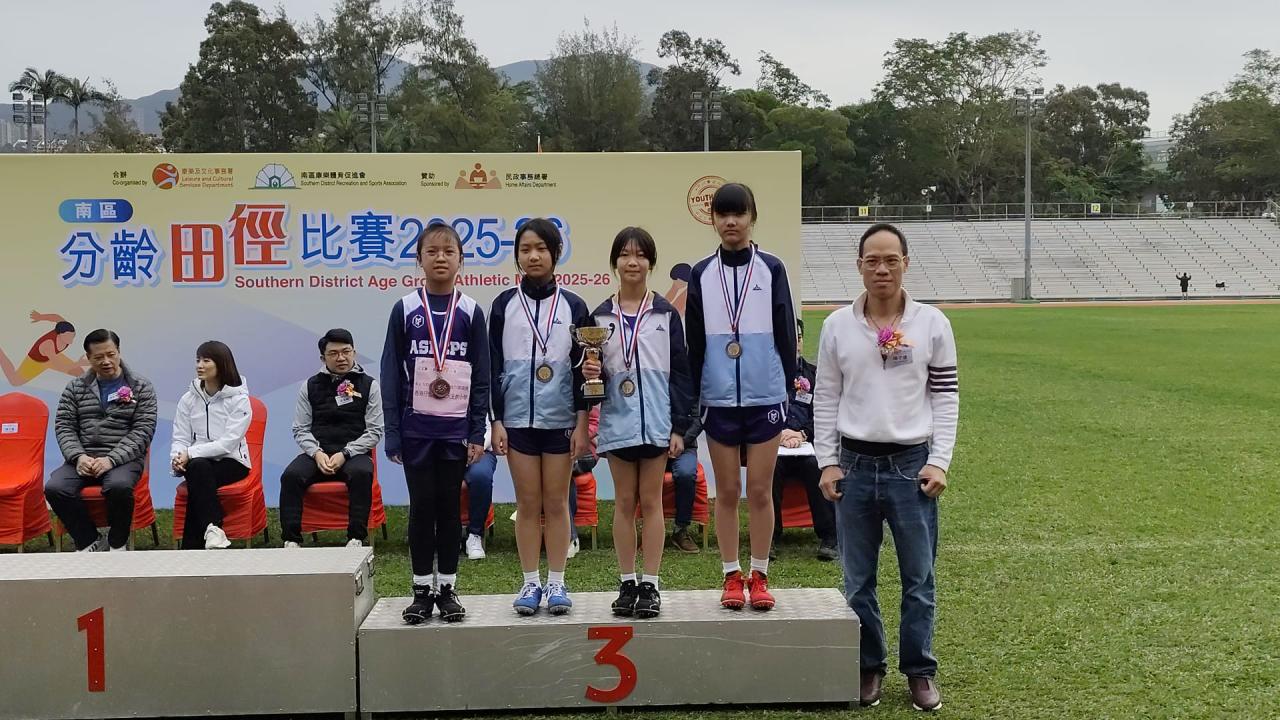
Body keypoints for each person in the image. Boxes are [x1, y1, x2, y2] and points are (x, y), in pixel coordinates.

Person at [814, 223, 959, 712]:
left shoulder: (932, 323)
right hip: (853, 467)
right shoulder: (837, 325)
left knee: (919, 579)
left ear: (905, 264)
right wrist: (827, 462)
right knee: (858, 581)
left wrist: (939, 461)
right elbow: (825, 397)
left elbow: (946, 395)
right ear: (859, 266)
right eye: (872, 260)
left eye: (891, 260)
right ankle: (868, 665)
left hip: (912, 468)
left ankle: (919, 670)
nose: (882, 269)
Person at [685, 182, 797, 611]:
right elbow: (696, 342)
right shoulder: (701, 273)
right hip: (718, 398)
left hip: (765, 395)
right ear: (713, 220)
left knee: (762, 491)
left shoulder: (771, 268)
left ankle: (761, 575)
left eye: (739, 214)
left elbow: (785, 332)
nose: (731, 222)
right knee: (729, 491)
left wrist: (787, 389)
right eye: (723, 214)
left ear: (752, 218)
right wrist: (697, 397)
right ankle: (732, 575)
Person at [382, 222, 489, 624]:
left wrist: (476, 431)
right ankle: (420, 590)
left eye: (449, 251)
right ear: (419, 259)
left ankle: (447, 588)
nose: (440, 258)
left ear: (461, 260)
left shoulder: (471, 311)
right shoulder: (405, 309)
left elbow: (482, 376)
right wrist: (394, 432)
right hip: (416, 431)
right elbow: (391, 373)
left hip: (455, 432)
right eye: (432, 251)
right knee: (421, 509)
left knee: (448, 509)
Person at [583, 227, 693, 618]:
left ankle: (651, 584)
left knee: (652, 502)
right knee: (624, 503)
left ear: (651, 262)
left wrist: (679, 427)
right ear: (615, 262)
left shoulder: (665, 313)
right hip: (617, 422)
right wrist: (591, 371)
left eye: (641, 255)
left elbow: (681, 374)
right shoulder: (599, 316)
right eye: (625, 255)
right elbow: (592, 378)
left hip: (657, 422)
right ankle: (627, 581)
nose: (633, 262)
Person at [489, 218, 591, 616]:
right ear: (517, 256)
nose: (533, 256)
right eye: (525, 249)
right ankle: (530, 582)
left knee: (557, 502)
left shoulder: (575, 306)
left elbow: (586, 370)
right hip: (517, 421)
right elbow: (493, 366)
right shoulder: (503, 305)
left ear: (556, 253)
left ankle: (558, 582)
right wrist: (496, 420)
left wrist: (581, 422)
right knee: (529, 503)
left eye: (541, 249)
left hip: (561, 420)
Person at [46, 329, 157, 552]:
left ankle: (117, 542)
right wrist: (78, 456)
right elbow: (65, 426)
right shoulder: (75, 388)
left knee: (118, 486)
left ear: (119, 352)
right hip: (83, 457)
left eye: (111, 354)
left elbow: (143, 431)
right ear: (88, 358)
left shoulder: (141, 386)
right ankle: (89, 540)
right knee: (55, 488)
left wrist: (111, 460)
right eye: (98, 357)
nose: (106, 361)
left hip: (123, 459)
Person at [279, 329, 384, 549]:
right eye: (333, 353)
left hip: (354, 453)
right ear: (323, 358)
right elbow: (300, 429)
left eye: (346, 351)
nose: (341, 358)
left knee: (362, 473)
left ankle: (356, 538)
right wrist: (316, 453)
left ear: (354, 353)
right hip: (318, 452)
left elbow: (375, 431)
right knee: (291, 476)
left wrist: (346, 453)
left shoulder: (369, 385)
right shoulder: (309, 386)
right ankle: (291, 540)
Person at [171, 341, 252, 551]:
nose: (199, 365)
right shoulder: (188, 399)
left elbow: (227, 444)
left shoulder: (239, 400)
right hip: (197, 462)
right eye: (198, 360)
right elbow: (180, 436)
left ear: (221, 364)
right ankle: (213, 530)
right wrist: (177, 457)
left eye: (206, 360)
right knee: (198, 469)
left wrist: (190, 453)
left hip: (232, 462)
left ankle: (191, 548)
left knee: (197, 472)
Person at [771, 318, 837, 561]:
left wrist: (802, 434)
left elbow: (824, 412)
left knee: (815, 467)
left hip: (807, 445)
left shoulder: (815, 375)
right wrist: (778, 435)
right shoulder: (766, 375)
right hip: (773, 445)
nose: (794, 343)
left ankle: (829, 536)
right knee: (770, 469)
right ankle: (769, 537)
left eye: (797, 338)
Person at [1, 310, 89, 386]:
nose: (71, 340)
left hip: (54, 357)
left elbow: (56, 317)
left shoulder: (64, 326)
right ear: (59, 334)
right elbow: (60, 366)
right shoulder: (48, 345)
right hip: (36, 362)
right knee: (15, 381)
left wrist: (40, 317)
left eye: (73, 336)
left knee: (79, 372)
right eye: (68, 337)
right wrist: (78, 363)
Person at [667, 396, 702, 553]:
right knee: (642, 474)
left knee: (686, 474)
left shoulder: (687, 386)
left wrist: (681, 441)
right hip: (653, 445)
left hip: (685, 446)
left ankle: (680, 529)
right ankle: (648, 529)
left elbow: (698, 419)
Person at [461, 422, 495, 560]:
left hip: (482, 449)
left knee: (480, 475)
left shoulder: (483, 405)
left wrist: (475, 449)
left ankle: (474, 535)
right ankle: (444, 532)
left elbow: (489, 426)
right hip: (445, 448)